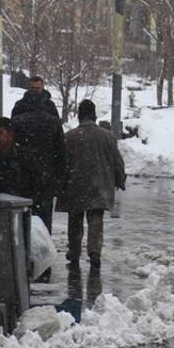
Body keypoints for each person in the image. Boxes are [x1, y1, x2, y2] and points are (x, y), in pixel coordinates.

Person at [58, 99, 126, 271]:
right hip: (99, 185)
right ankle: (94, 251)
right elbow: (117, 161)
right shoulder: (107, 136)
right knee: (96, 218)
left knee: (75, 219)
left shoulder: (69, 137)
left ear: (80, 116)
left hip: (75, 185)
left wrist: (59, 184)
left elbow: (61, 163)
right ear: (94, 115)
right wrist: (120, 179)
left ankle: (74, 251)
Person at [10, 75, 66, 238]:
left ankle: (25, 248)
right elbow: (60, 148)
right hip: (44, 175)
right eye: (33, 88)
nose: (35, 90)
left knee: (23, 214)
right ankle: (42, 247)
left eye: (38, 88)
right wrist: (58, 177)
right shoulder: (49, 113)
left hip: (25, 174)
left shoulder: (21, 112)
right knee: (43, 217)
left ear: (42, 87)